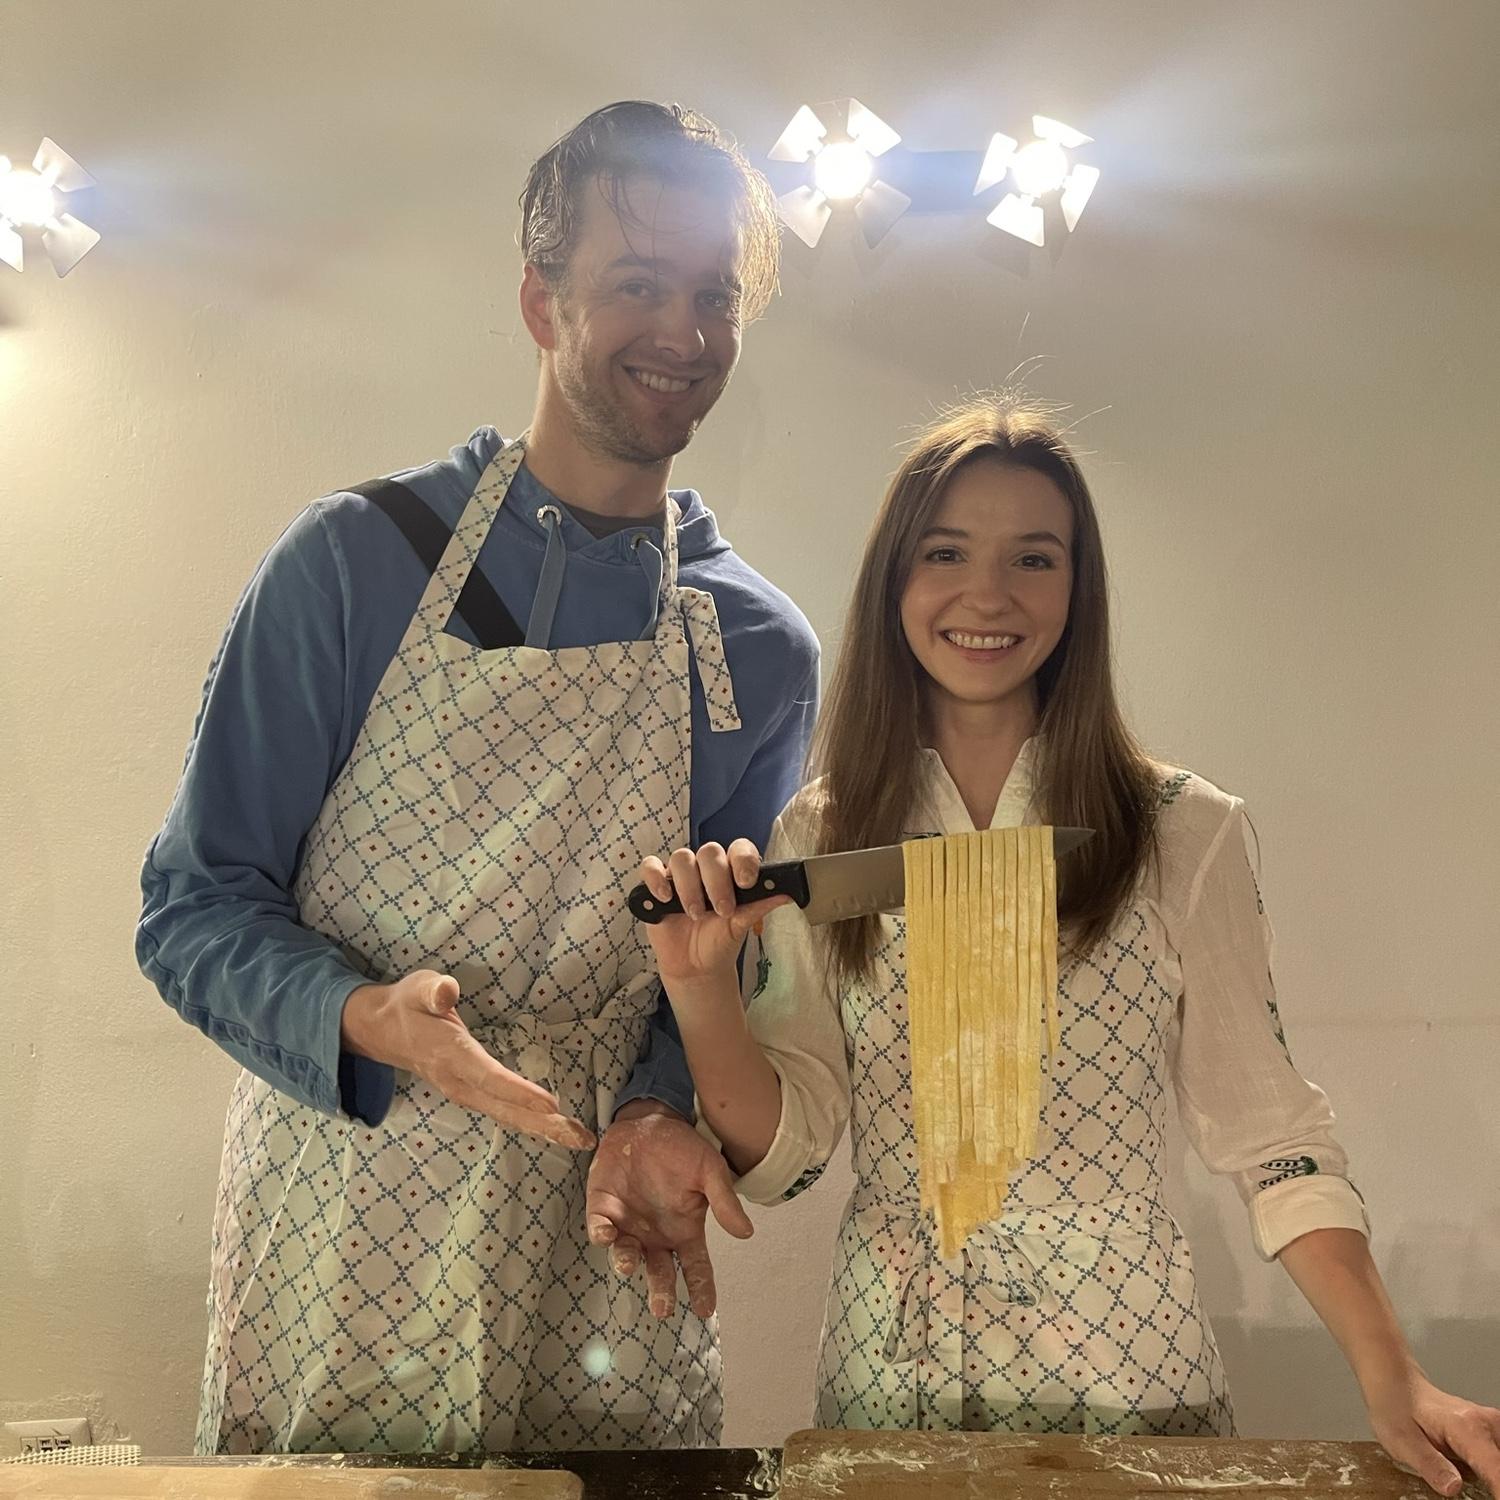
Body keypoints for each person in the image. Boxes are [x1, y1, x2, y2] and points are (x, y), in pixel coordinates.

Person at [637, 395, 1500, 1493]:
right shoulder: (824, 835)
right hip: (893, 1381)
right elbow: (786, 1155)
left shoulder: (1184, 830)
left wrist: (1395, 1376)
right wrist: (703, 992)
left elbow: (1269, 1132)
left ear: (1077, 591)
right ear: (894, 578)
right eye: (945, 552)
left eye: (1033, 559)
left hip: (1128, 1374)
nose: (986, 595)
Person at [136, 100, 818, 1454]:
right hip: (350, 1201)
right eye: (637, 286)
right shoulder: (354, 562)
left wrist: (653, 1108)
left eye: (712, 295)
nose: (682, 333)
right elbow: (195, 907)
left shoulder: (756, 648)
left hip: (603, 1230)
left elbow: (722, 966)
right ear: (538, 299)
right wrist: (363, 1014)